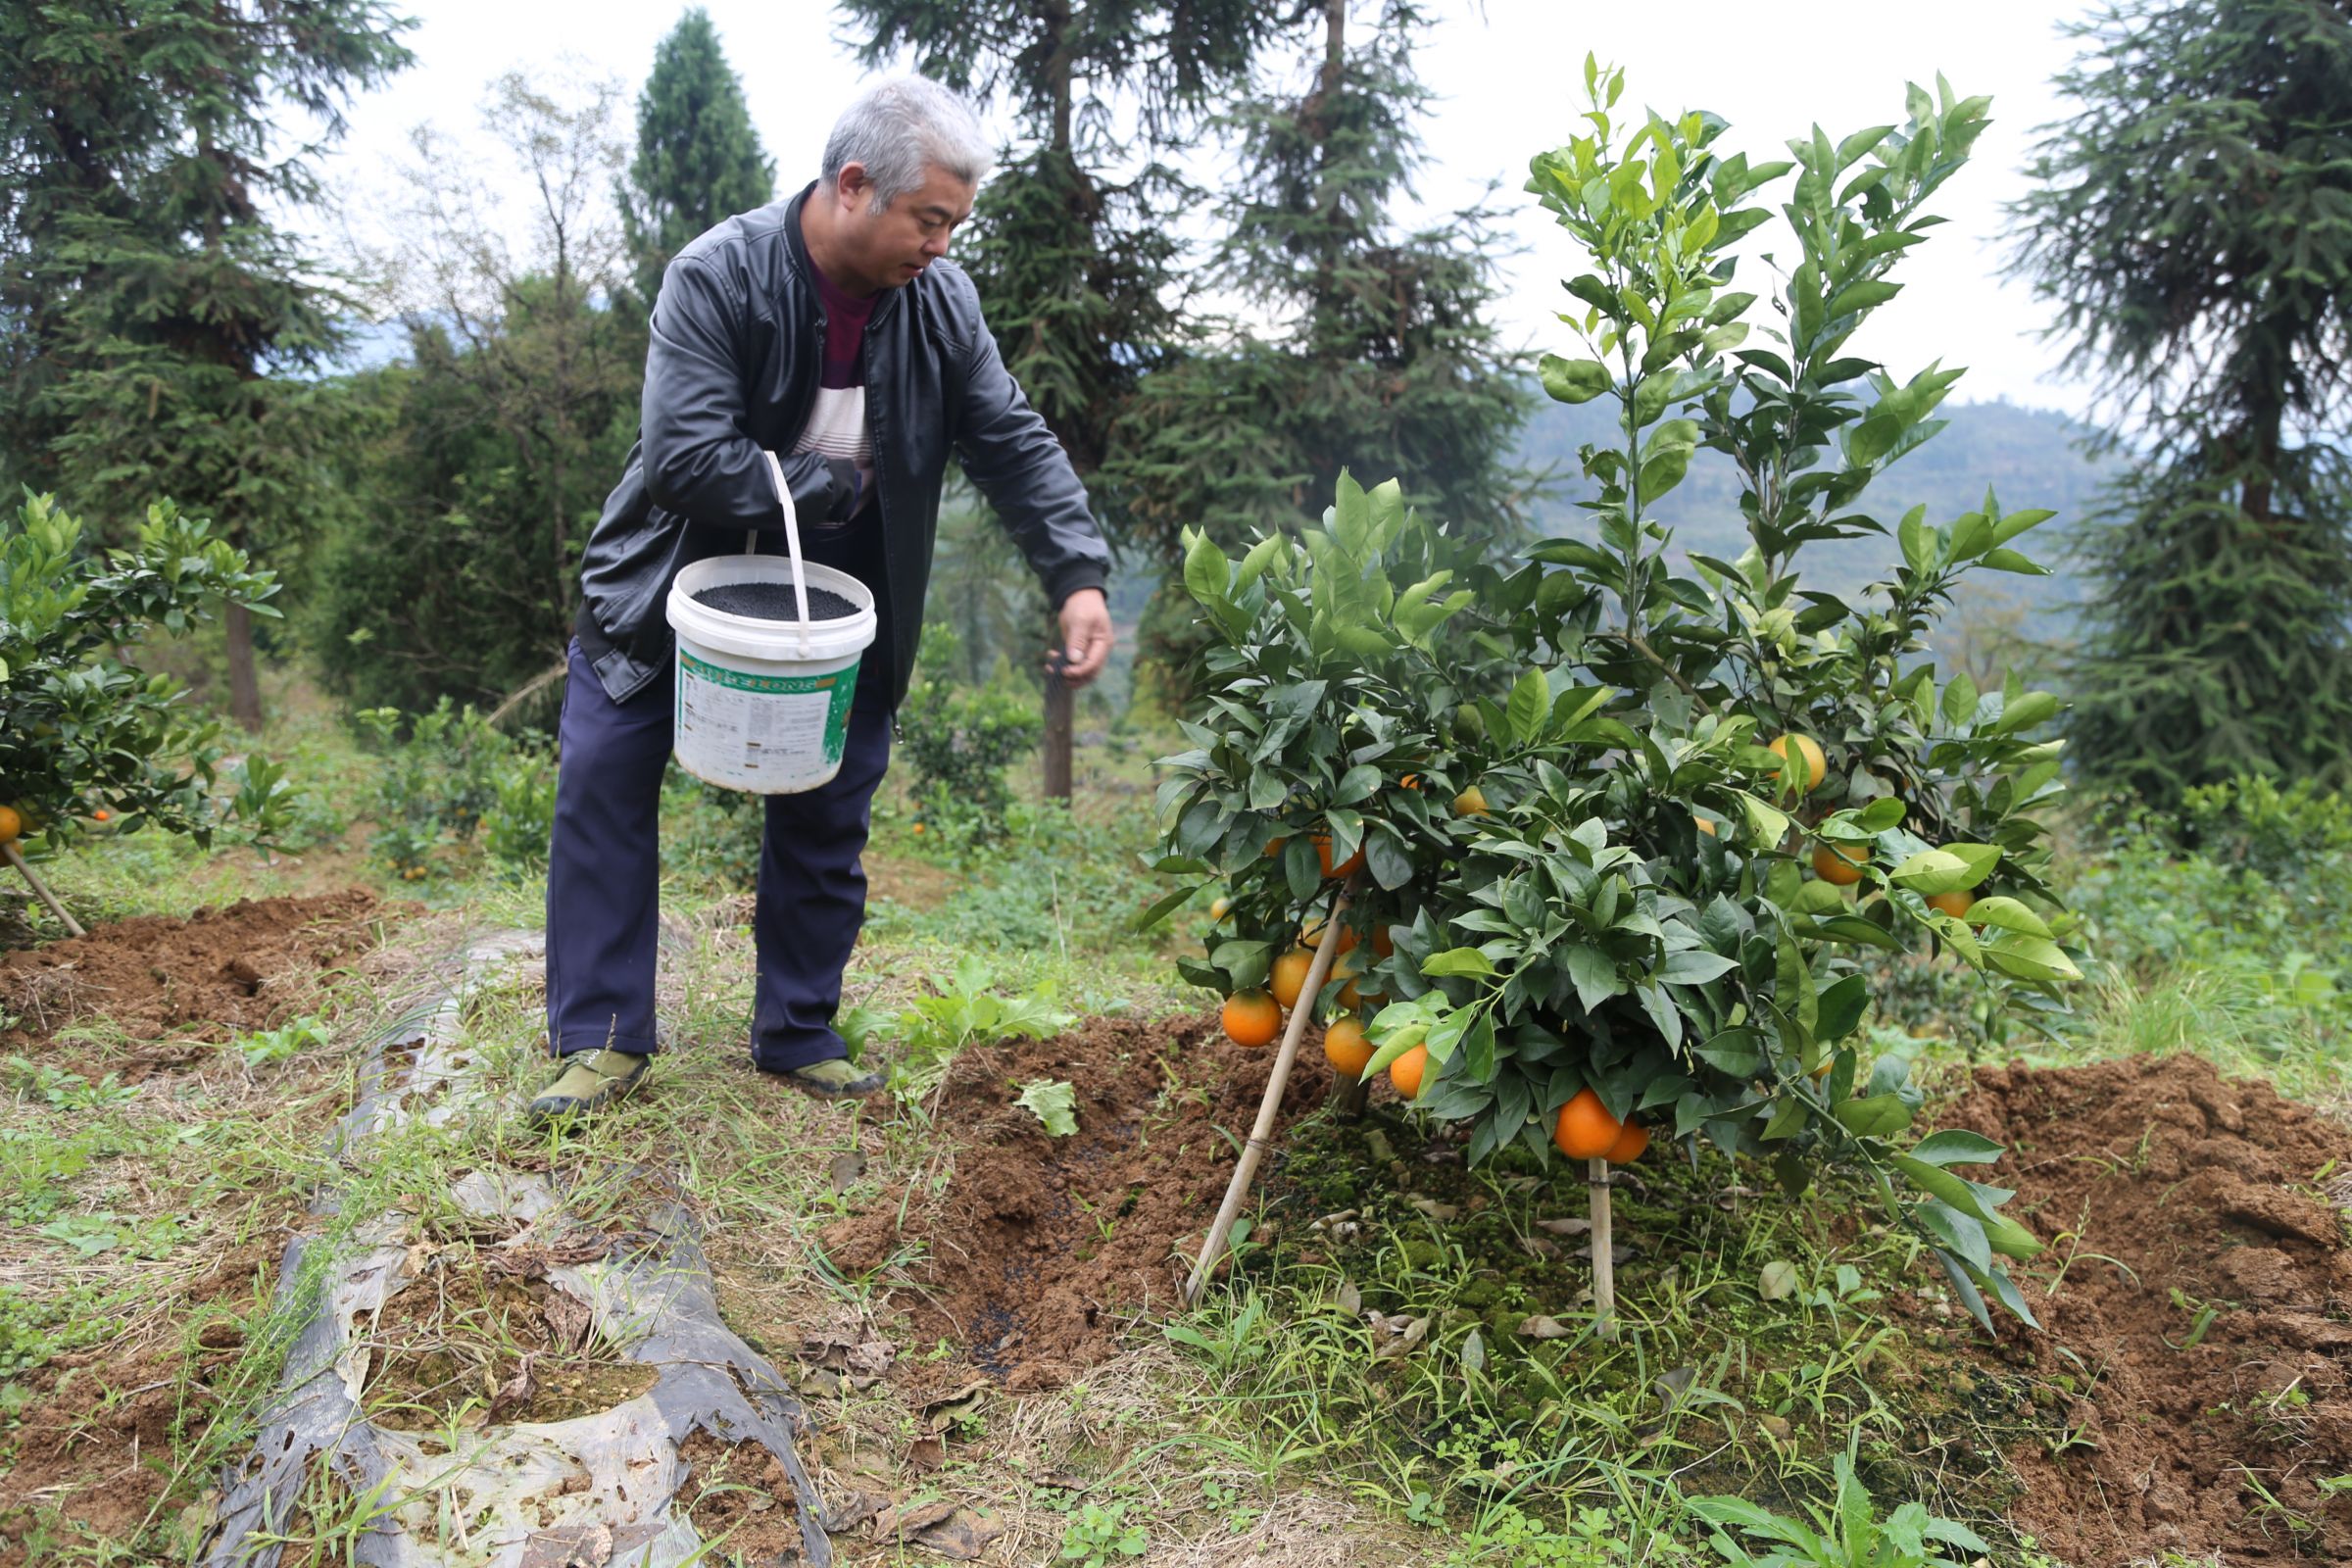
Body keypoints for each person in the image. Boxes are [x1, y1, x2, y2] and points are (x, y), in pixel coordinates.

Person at [528, 76, 1112, 1121]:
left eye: (953, 226)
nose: (941, 246)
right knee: (607, 782)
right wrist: (828, 482)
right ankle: (603, 1040)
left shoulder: (940, 305)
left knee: (828, 802)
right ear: (853, 186)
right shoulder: (720, 276)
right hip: (670, 585)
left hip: (836, 599)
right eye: (928, 220)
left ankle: (798, 1028)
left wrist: (1076, 571)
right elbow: (683, 458)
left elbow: (1011, 439)